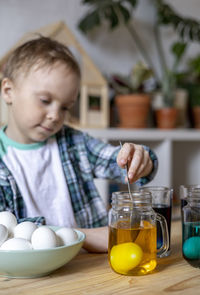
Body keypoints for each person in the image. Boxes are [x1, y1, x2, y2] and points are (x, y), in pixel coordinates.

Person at [0, 36, 158, 252]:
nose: (56, 115)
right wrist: (83, 237)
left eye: (66, 107)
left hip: (88, 267)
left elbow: (115, 161)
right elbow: (7, 234)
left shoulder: (74, 142)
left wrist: (140, 160)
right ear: (8, 91)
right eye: (45, 100)